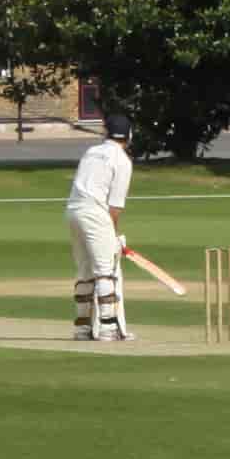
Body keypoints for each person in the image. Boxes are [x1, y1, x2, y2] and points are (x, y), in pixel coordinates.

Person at [67, 114, 136, 343]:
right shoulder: (122, 161)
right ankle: (108, 329)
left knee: (85, 270)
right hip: (95, 213)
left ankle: (83, 329)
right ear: (129, 136)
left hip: (73, 210)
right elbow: (114, 208)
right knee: (106, 271)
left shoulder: (91, 152)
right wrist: (114, 237)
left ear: (106, 134)